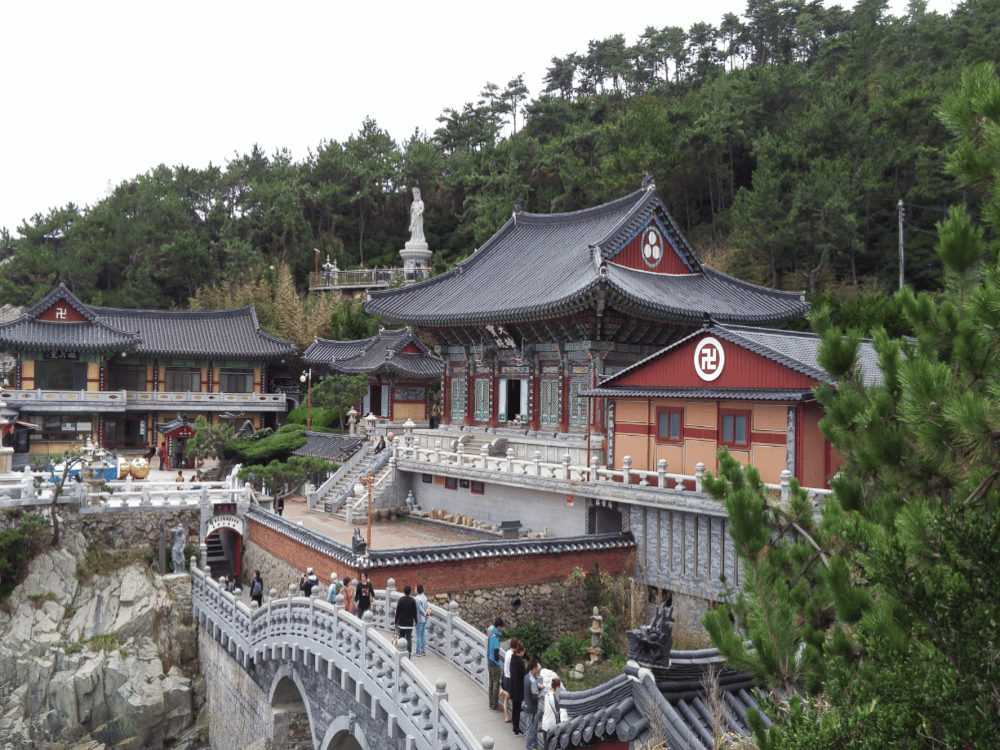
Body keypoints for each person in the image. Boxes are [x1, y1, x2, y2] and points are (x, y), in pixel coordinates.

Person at [394, 584, 418, 657]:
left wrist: (395, 622)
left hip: (401, 623)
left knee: (401, 637)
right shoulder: (412, 600)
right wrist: (416, 621)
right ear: (410, 592)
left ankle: (401, 653)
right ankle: (409, 654)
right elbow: (415, 612)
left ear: (403, 591)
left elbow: (397, 612)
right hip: (409, 623)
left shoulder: (401, 600)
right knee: (408, 639)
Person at [523, 657, 541, 750]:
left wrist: (539, 686)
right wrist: (540, 696)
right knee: (530, 729)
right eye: (537, 667)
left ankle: (534, 745)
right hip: (532, 708)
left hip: (526, 705)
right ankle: (528, 748)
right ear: (534, 668)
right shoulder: (533, 681)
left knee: (532, 727)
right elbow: (535, 696)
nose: (538, 669)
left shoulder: (526, 677)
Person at [509, 642, 527, 736]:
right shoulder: (520, 662)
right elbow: (524, 675)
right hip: (519, 689)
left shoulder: (512, 659)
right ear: (521, 651)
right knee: (517, 710)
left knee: (514, 709)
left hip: (513, 688)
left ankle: (514, 728)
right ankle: (516, 730)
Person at [502, 637, 521, 721]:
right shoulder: (512, 656)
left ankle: (506, 716)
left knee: (506, 699)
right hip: (510, 679)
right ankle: (502, 691)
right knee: (513, 697)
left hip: (505, 677)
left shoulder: (507, 652)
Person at [487, 617, 504, 711]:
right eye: (501, 627)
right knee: (495, 685)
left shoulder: (490, 631)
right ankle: (494, 705)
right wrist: (498, 663)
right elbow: (496, 653)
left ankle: (490, 703)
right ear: (498, 626)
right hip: (494, 664)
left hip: (489, 662)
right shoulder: (495, 637)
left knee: (491, 683)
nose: (501, 629)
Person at [541, 676, 563, 746]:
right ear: (557, 687)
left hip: (544, 723)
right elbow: (558, 711)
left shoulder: (547, 694)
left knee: (546, 745)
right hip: (551, 725)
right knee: (551, 745)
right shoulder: (555, 697)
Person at [415, 583, 429, 656]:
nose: (414, 590)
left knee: (419, 635)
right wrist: (427, 614)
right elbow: (427, 606)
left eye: (415, 588)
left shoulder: (417, 598)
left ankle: (418, 651)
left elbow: (419, 608)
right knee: (423, 635)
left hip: (419, 618)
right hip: (424, 619)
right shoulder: (425, 597)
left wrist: (424, 614)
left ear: (417, 590)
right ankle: (423, 650)